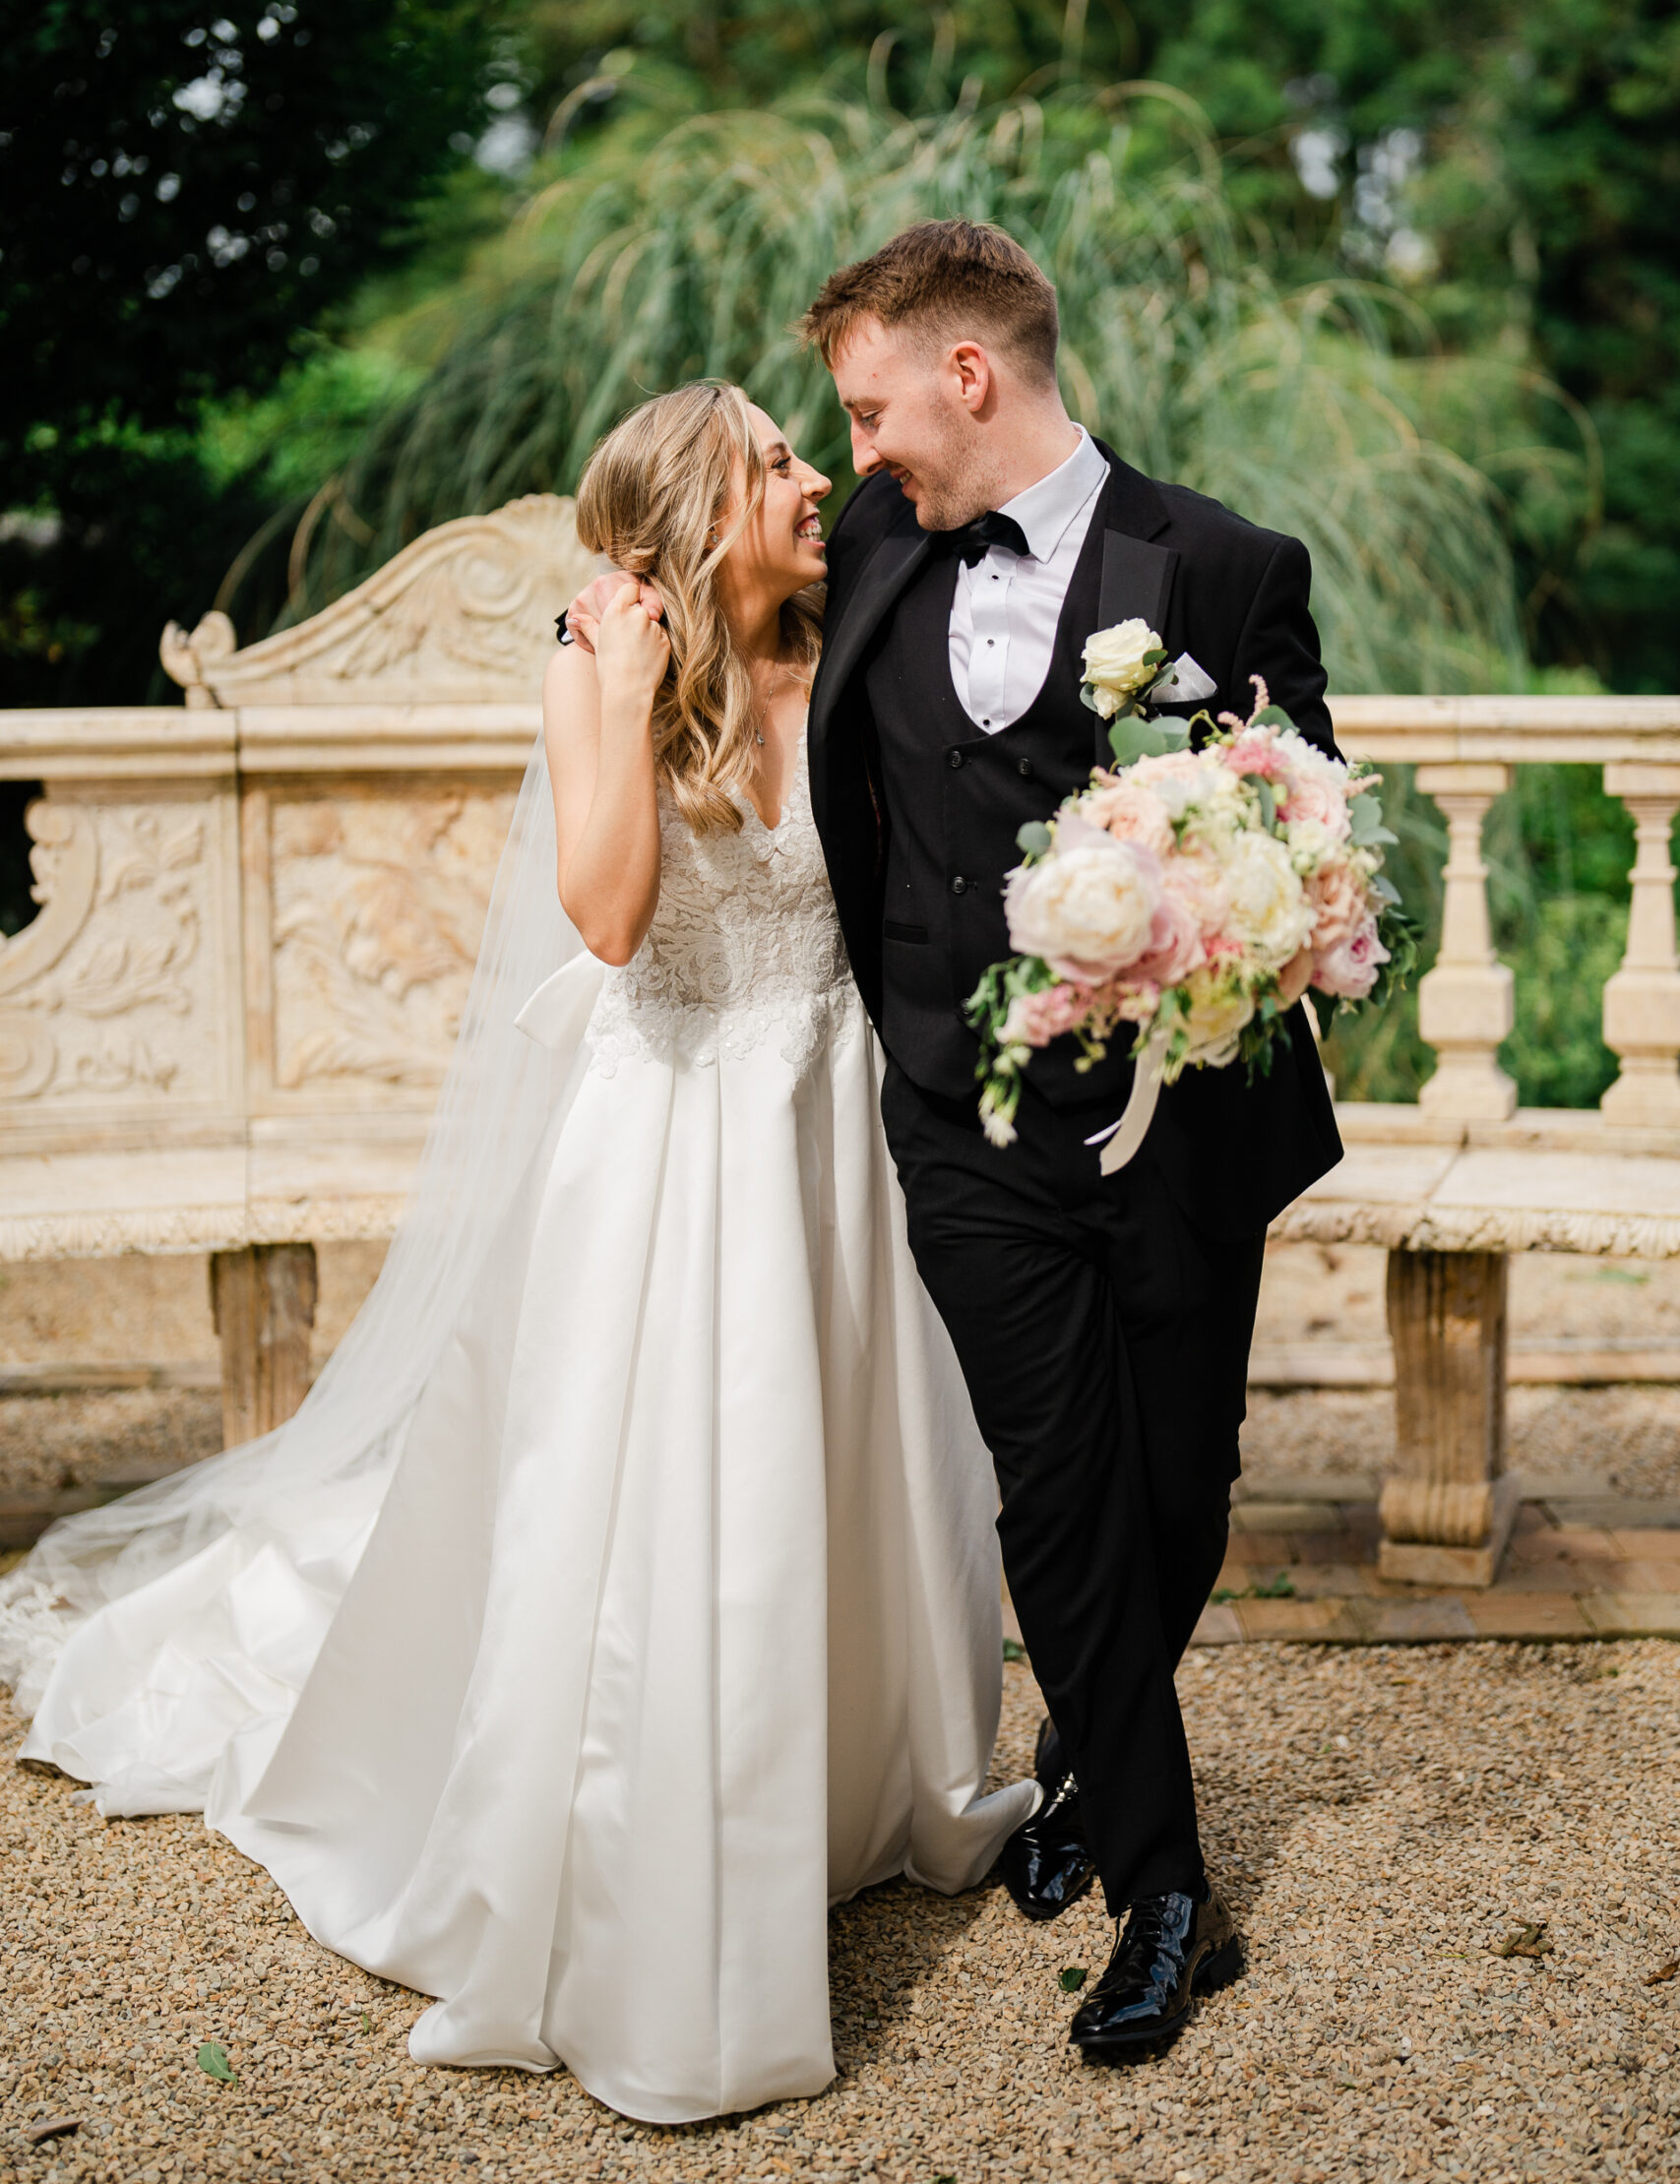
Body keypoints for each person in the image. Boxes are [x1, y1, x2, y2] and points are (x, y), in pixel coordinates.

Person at [1, 380, 1033, 2125]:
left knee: (845, 1459)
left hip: (834, 1126)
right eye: (773, 460)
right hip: (679, 1129)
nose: (812, 477)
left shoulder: (855, 630)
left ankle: (841, 1784)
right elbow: (616, 917)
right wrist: (628, 696)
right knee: (669, 1500)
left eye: (805, 447)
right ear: (695, 521)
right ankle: (656, 1851)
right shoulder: (600, 674)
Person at [798, 219, 1343, 2064]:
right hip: (961, 1120)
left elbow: (1303, 829)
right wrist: (593, 619)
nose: (856, 452)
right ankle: (1166, 1893)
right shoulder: (873, 546)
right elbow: (702, 582)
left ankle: (1089, 1759)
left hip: (1176, 1127)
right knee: (1059, 1484)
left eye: (871, 406)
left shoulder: (1222, 565)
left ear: (972, 372)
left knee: (1178, 1494)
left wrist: (1220, 929)